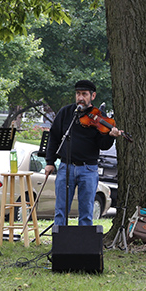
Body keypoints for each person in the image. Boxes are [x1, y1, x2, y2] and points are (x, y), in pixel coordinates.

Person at [44, 79, 124, 226]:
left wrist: (111, 137)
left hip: (88, 168)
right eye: (78, 94)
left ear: (92, 96)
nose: (80, 97)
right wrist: (50, 162)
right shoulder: (66, 112)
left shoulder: (99, 117)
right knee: (61, 209)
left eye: (84, 94)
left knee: (86, 210)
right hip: (65, 167)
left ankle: (83, 245)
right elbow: (54, 138)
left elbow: (103, 145)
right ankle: (60, 243)